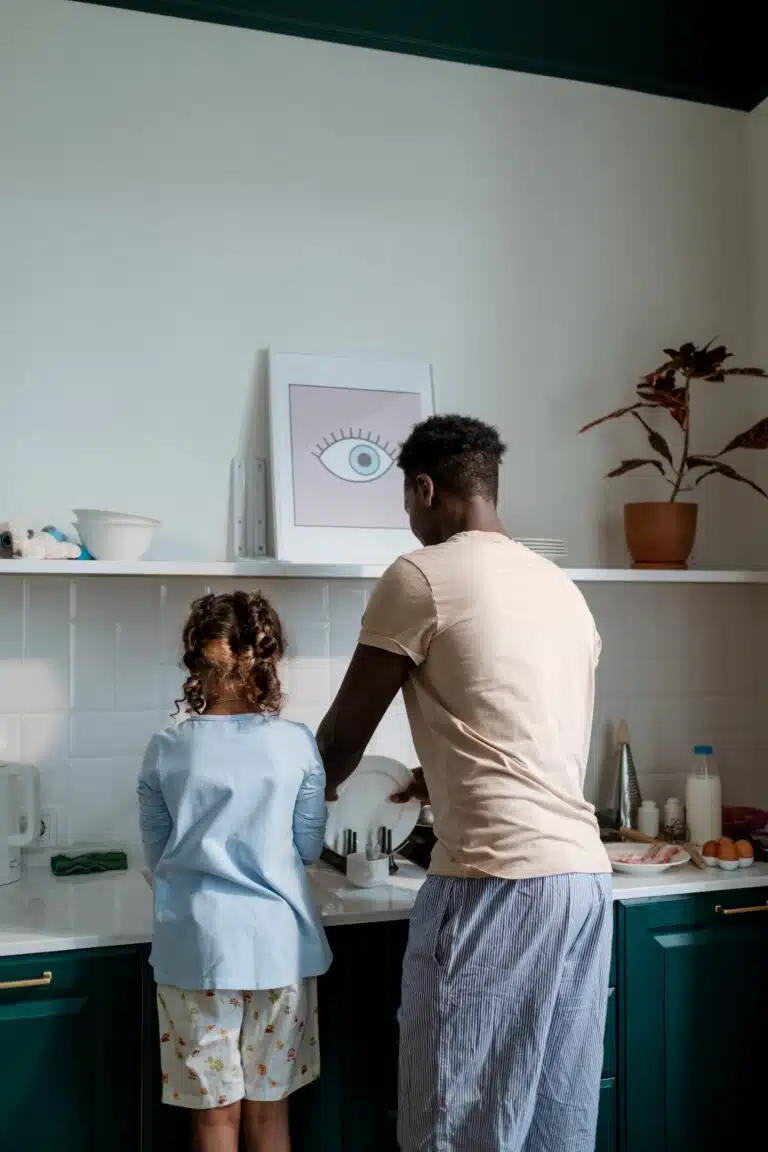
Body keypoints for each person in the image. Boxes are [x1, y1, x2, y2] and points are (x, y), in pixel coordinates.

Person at [316, 414, 612, 1152]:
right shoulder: (559, 586)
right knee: (552, 1112)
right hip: (580, 880)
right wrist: (432, 776)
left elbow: (340, 740)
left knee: (454, 1117)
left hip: (493, 879)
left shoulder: (419, 576)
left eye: (407, 502)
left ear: (424, 489)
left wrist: (285, 817)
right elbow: (521, 729)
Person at [138, 590, 331, 1152]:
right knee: (270, 1115)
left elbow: (158, 853)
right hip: (279, 948)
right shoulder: (296, 744)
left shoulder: (166, 747)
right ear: (266, 658)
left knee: (213, 1118)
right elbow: (308, 847)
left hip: (195, 949)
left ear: (197, 659)